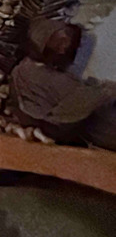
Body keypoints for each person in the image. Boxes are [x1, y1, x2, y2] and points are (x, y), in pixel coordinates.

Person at [10, 18, 116, 149]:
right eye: (59, 45)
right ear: (43, 47)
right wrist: (106, 91)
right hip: (82, 128)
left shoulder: (26, 69)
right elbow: (78, 103)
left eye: (66, 43)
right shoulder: (40, 75)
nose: (63, 50)